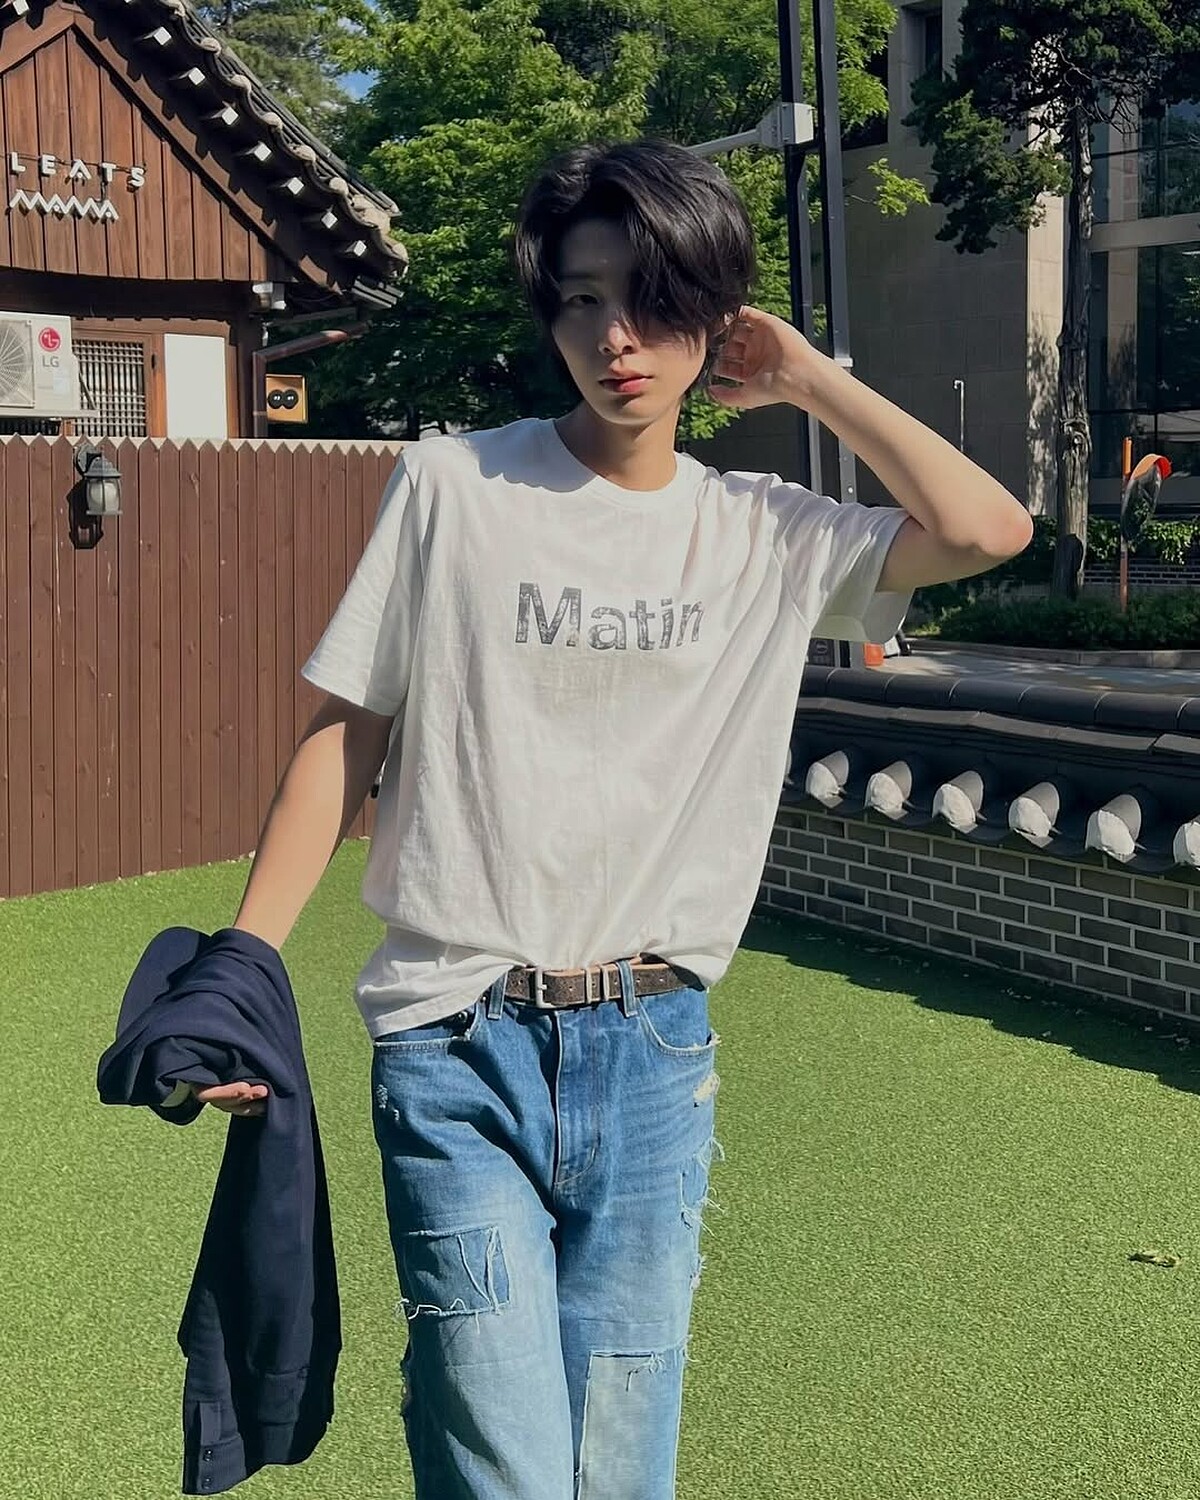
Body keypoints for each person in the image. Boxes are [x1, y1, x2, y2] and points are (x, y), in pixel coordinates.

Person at [191, 138, 1032, 1499]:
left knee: (618, 1461)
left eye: (652, 300)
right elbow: (348, 732)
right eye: (582, 300)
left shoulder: (767, 532)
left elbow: (989, 529)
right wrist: (240, 967)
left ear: (715, 315)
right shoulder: (456, 486)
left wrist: (809, 377)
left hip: (654, 1048)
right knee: (504, 1457)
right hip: (455, 1038)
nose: (616, 338)